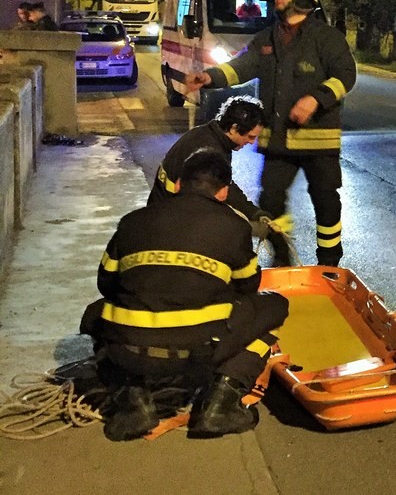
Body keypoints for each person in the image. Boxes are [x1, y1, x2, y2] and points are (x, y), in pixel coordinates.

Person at [80, 149, 290, 440]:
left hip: (127, 352)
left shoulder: (132, 221)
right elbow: (248, 287)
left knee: (95, 314)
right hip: (198, 354)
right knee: (273, 308)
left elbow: (107, 283)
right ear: (223, 192)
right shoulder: (234, 226)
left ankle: (133, 401)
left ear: (178, 184)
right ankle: (220, 403)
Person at [186, 0, 356, 267]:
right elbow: (241, 66)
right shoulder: (267, 38)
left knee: (326, 202)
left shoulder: (327, 38)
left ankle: (329, 265)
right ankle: (282, 257)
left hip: (319, 143)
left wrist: (316, 98)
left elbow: (346, 75)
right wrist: (209, 77)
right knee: (271, 201)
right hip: (278, 139)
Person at [148, 96, 280, 243]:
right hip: (170, 223)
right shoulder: (211, 151)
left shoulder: (205, 134)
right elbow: (218, 194)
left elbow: (221, 183)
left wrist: (253, 213)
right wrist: (250, 223)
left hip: (160, 212)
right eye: (250, 136)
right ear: (233, 128)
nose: (251, 142)